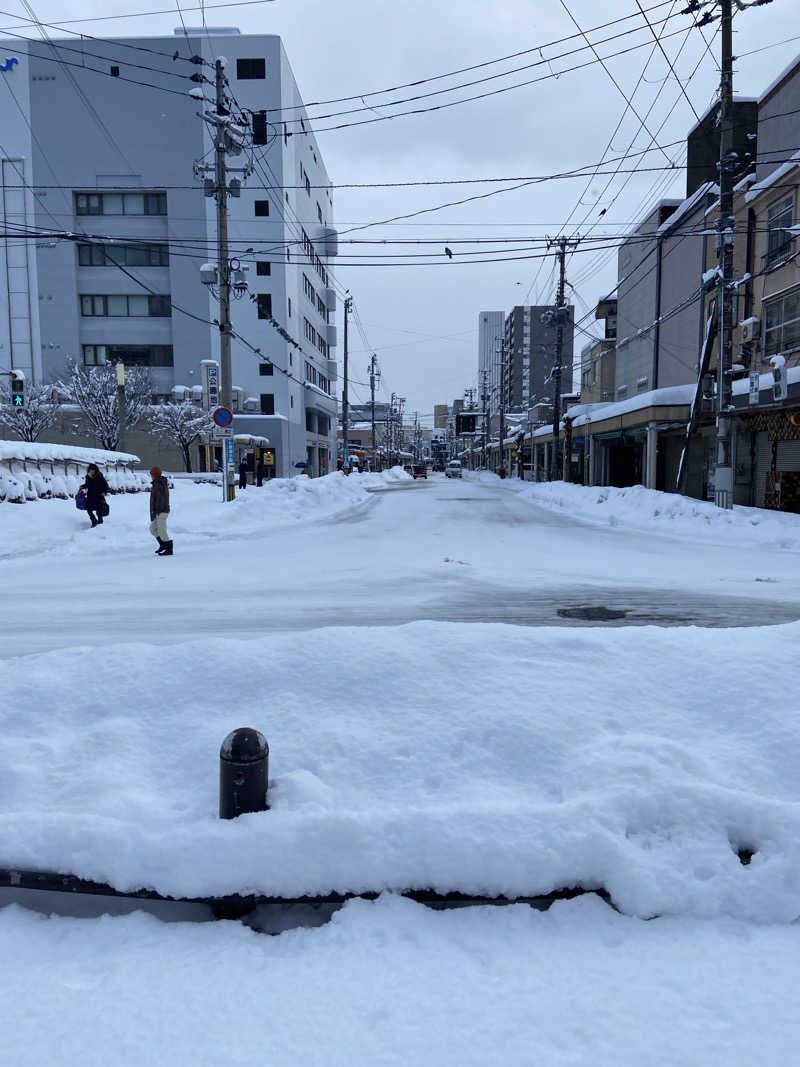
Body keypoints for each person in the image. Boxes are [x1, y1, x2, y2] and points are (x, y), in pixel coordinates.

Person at [149, 466, 172, 556]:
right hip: (158, 511)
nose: (151, 476)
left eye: (151, 474)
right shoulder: (157, 483)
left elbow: (161, 499)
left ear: (154, 475)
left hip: (162, 511)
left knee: (162, 530)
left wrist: (158, 510)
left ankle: (169, 548)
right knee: (153, 529)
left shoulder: (159, 484)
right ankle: (163, 545)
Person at [80, 463, 110, 528]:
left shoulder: (99, 475)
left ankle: (100, 522)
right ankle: (94, 521)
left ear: (96, 470)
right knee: (88, 509)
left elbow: (106, 485)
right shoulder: (87, 476)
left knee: (98, 510)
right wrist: (82, 486)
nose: (92, 471)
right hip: (90, 496)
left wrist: (104, 492)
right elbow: (87, 485)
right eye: (90, 469)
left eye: (93, 469)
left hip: (98, 496)